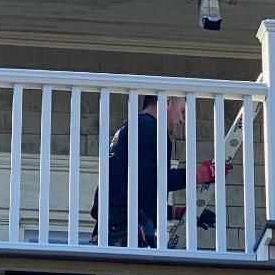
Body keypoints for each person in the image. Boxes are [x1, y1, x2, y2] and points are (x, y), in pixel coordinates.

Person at [90, 95, 218, 247]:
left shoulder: (135, 128)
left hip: (113, 230)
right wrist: (197, 175)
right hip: (125, 233)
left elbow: (142, 190)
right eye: (182, 112)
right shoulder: (152, 129)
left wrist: (175, 212)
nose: (182, 120)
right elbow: (157, 180)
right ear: (167, 101)